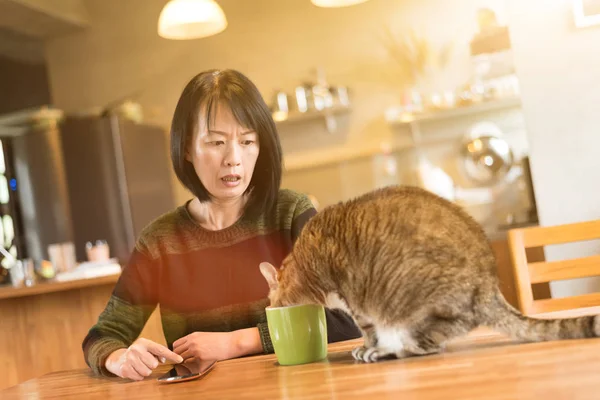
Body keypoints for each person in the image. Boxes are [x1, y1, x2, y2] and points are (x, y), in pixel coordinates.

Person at [82, 69, 361, 381]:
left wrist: (235, 342)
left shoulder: (292, 214)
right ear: (187, 148)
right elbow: (102, 337)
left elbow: (345, 320)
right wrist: (120, 358)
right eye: (216, 142)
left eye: (247, 141)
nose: (234, 158)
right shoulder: (160, 241)